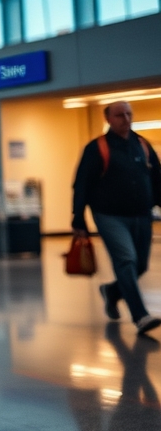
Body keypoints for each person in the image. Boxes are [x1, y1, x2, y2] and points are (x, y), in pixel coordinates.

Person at [72, 101, 161, 334]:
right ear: (108, 119)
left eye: (129, 114)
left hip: (142, 214)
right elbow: (81, 185)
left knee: (140, 265)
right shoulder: (96, 148)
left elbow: (157, 180)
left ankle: (111, 292)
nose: (126, 119)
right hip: (110, 215)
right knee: (126, 260)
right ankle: (140, 316)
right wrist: (78, 219)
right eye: (120, 115)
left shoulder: (142, 145)